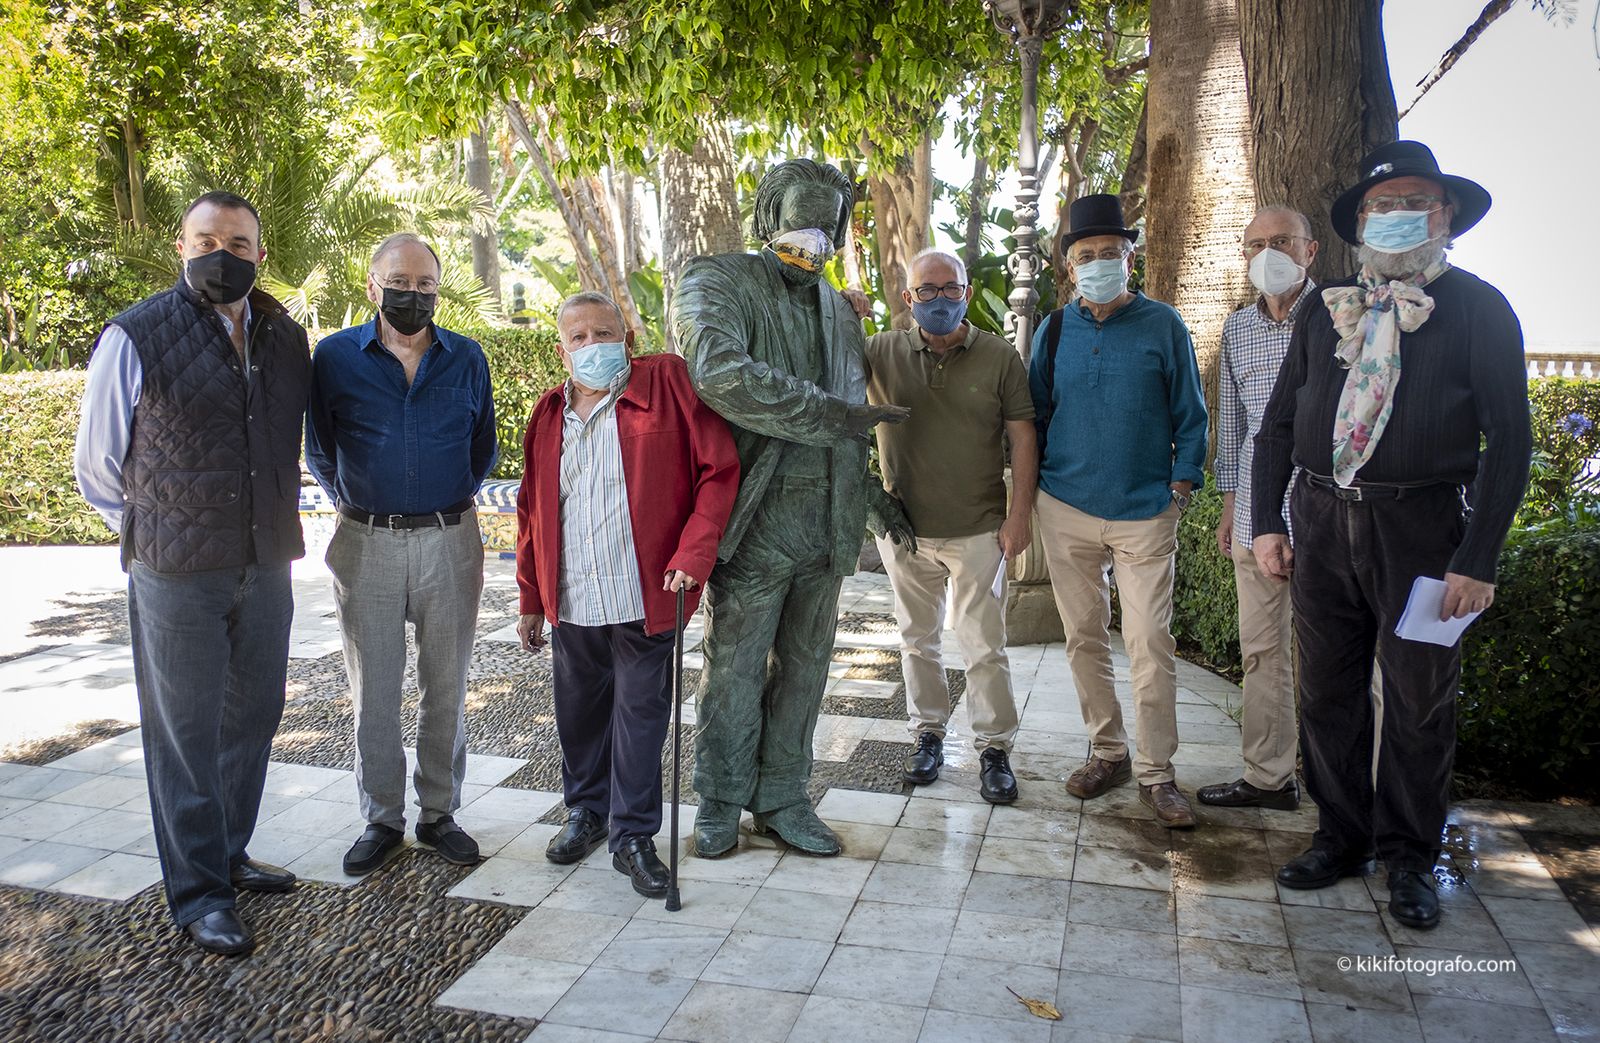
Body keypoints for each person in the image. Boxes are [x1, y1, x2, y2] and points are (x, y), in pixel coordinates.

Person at [1253, 141, 1531, 930]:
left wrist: (1477, 560)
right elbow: (1277, 425)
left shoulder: (1480, 308)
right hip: (1319, 518)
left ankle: (1411, 853)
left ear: (1445, 217)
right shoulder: (1325, 304)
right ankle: (1341, 836)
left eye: (1416, 202)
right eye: (1382, 205)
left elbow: (1509, 441)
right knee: (1329, 693)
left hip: (1422, 528)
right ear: (1360, 223)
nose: (1397, 216)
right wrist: (1267, 522)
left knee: (1419, 699)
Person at [74, 191, 309, 956]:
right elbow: (97, 466)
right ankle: (199, 892)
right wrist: (151, 533)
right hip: (174, 573)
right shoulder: (133, 334)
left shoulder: (283, 335)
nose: (223, 254)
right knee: (184, 734)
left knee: (253, 715)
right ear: (182, 246)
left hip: (265, 561)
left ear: (259, 254)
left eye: (239, 243)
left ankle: (230, 854)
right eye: (207, 239)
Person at [674, 158, 913, 858]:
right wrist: (830, 413)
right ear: (768, 219)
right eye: (801, 221)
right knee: (736, 670)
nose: (814, 237)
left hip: (827, 519)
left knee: (807, 669)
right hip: (755, 517)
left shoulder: (840, 307)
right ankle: (719, 798)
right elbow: (718, 371)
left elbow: (851, 431)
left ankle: (782, 795)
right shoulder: (716, 279)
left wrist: (876, 502)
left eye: (828, 227)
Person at [514, 292, 739, 896]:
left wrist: (694, 554)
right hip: (574, 594)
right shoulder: (547, 414)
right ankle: (585, 813)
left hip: (647, 591)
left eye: (603, 333)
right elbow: (532, 512)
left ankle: (633, 835)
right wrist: (532, 596)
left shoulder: (667, 383)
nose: (591, 346)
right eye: (578, 337)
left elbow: (718, 472)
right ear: (562, 349)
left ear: (628, 338)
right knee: (580, 715)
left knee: (641, 718)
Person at [305, 233, 497, 876]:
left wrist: (444, 504)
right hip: (366, 542)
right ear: (371, 285)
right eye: (400, 283)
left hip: (451, 539)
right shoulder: (333, 358)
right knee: (375, 693)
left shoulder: (466, 357)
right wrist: (357, 505)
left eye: (425, 286)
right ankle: (381, 818)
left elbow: (482, 447)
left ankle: (439, 813)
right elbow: (320, 449)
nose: (412, 296)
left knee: (447, 687)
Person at [1029, 193, 1209, 829]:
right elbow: (1035, 415)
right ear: (1070, 266)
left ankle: (1159, 772)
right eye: (1086, 255)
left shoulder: (1164, 325)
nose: (1099, 262)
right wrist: (1034, 495)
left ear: (1130, 258)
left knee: (1148, 641)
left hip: (1144, 512)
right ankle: (1109, 752)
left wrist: (1181, 487)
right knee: (1082, 638)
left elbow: (1192, 412)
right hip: (1065, 506)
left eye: (1111, 253)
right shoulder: (1053, 330)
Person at [865, 249, 1037, 804]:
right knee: (917, 640)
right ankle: (928, 734)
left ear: (965, 291)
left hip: (979, 528)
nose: (940, 299)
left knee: (983, 644)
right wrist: (845, 309)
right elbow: (824, 375)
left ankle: (994, 750)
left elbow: (1023, 437)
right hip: (904, 530)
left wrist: (1018, 517)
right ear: (907, 296)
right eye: (927, 290)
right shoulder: (880, 352)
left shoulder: (998, 356)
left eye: (950, 288)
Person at [1197, 207, 1319, 813]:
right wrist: (1228, 505)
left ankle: (1364, 793)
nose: (1267, 254)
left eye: (1281, 242)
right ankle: (1268, 778)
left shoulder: (1341, 320)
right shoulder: (1239, 327)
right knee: (1262, 652)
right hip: (1254, 517)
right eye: (1256, 245)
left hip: (1327, 518)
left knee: (1349, 660)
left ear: (1310, 251)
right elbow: (1235, 426)